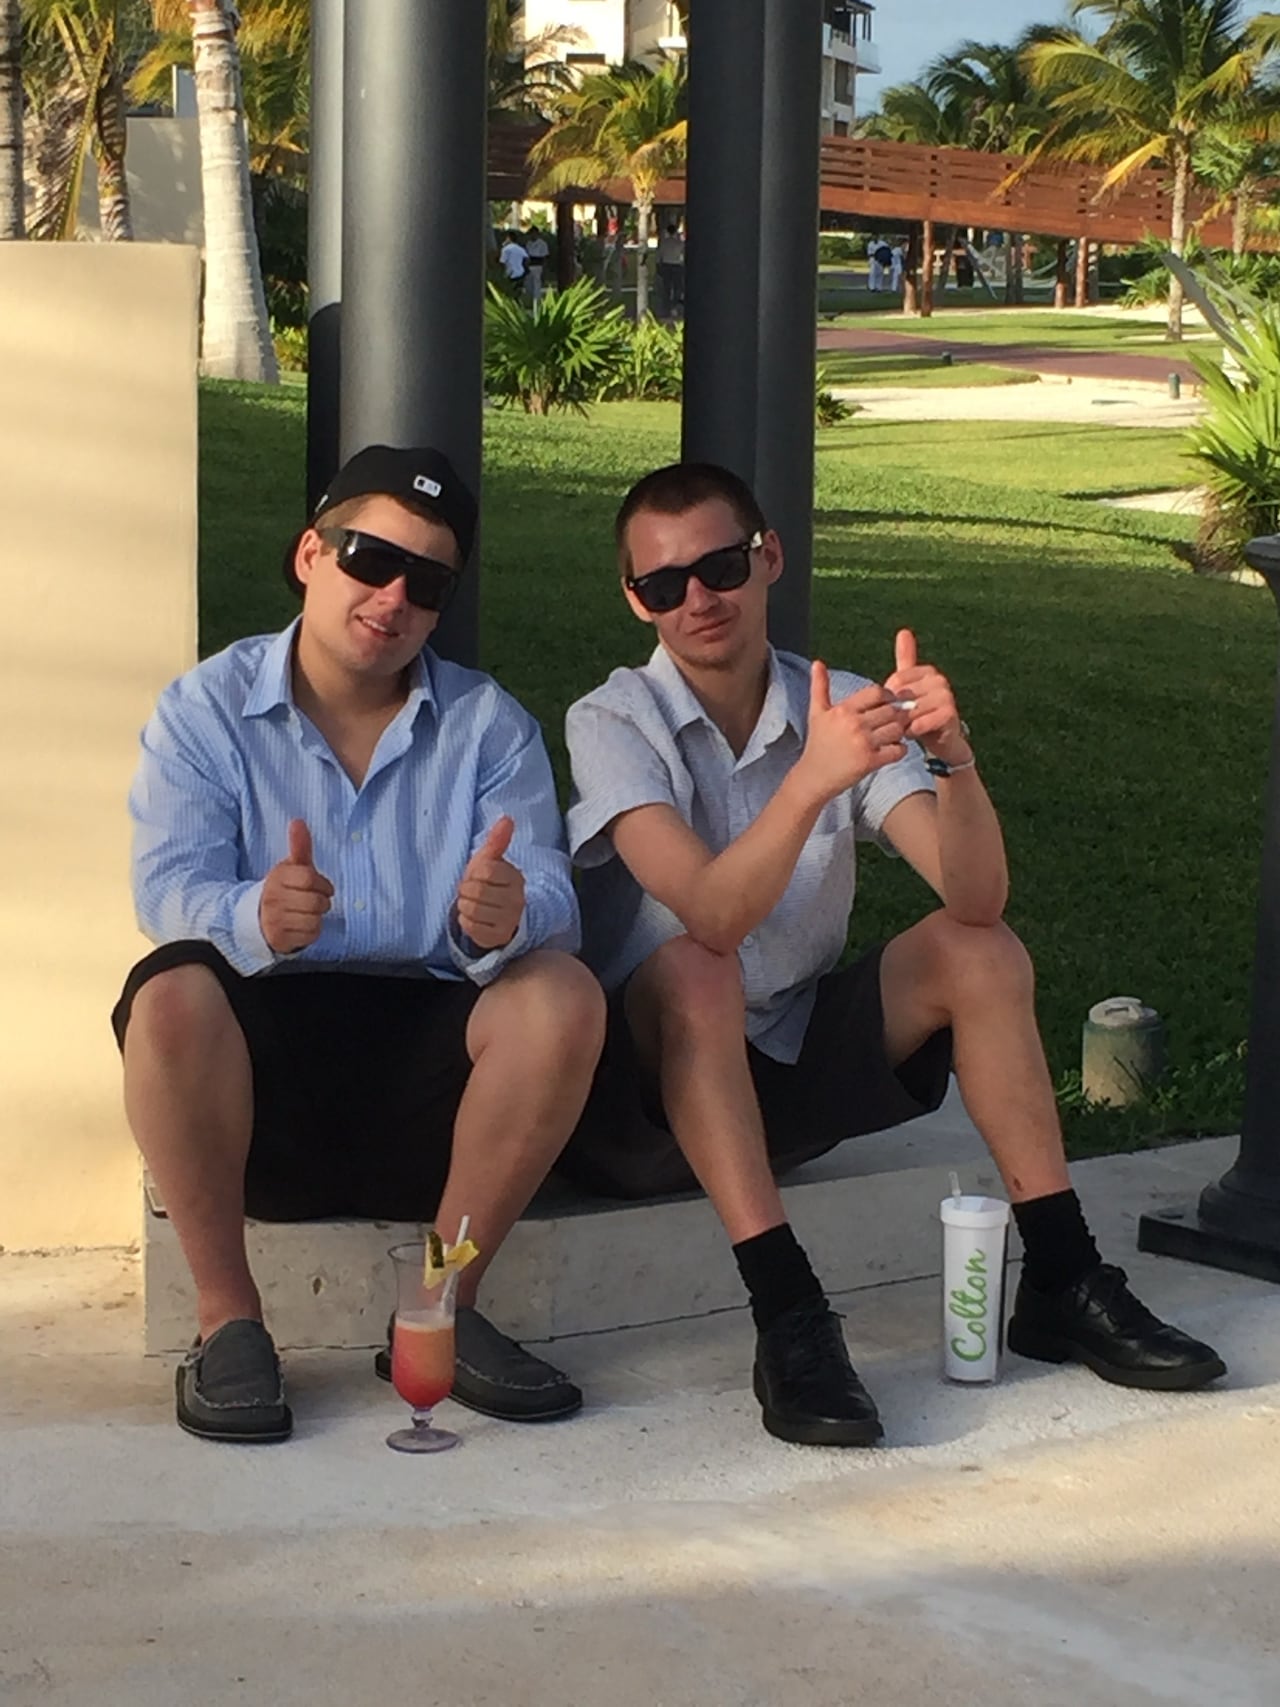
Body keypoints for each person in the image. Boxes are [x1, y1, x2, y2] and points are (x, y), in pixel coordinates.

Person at [559, 460, 1226, 1449]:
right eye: (664, 584)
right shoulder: (611, 720)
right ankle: (787, 1312)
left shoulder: (840, 704)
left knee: (981, 951)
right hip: (643, 1105)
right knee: (699, 966)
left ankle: (1062, 1274)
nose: (697, 599)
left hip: (781, 1069)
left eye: (719, 567)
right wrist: (808, 782)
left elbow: (974, 896)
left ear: (767, 557)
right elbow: (707, 916)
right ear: (634, 600)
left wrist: (951, 756)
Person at [115, 445, 604, 1443]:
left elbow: (551, 884)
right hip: (260, 1085)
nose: (391, 597)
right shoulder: (204, 710)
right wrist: (256, 915)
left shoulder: (486, 725)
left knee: (560, 992)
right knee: (168, 991)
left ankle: (439, 1311)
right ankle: (229, 1327)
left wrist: (510, 910)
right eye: (367, 559)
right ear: (309, 554)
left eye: (426, 582)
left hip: (432, 1087)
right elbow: (166, 889)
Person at [656, 222, 685, 319]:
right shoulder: (679, 243)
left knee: (666, 288)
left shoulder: (664, 243)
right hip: (676, 266)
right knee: (677, 287)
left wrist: (659, 266)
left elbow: (659, 256)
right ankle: (674, 306)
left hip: (666, 266)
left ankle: (667, 308)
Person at [524, 225, 550, 307]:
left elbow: (545, 257)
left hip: (538, 266)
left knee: (537, 286)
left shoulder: (542, 244)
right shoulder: (528, 243)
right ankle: (531, 302)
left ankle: (537, 303)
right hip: (529, 266)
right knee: (529, 286)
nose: (532, 235)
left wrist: (544, 269)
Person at [499, 230, 528, 297]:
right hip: (520, 273)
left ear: (508, 238)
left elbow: (502, 262)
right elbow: (527, 258)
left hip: (510, 273)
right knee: (518, 291)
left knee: (509, 292)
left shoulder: (506, 249)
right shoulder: (520, 249)